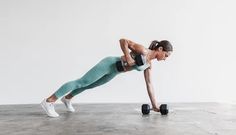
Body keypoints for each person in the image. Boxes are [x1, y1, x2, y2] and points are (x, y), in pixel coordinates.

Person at [40, 38, 173, 117]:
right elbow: (123, 41)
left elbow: (149, 84)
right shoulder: (143, 50)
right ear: (160, 49)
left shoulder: (148, 65)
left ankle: (67, 98)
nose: (166, 59)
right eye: (166, 55)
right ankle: (49, 101)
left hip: (114, 72)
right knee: (82, 82)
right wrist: (128, 57)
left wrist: (155, 105)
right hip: (109, 64)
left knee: (90, 85)